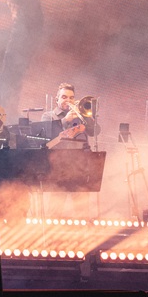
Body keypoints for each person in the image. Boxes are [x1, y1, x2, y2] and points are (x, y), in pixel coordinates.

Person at [41, 83, 98, 218]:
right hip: (58, 168)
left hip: (80, 168)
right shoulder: (48, 116)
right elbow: (47, 136)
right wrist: (65, 120)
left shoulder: (80, 116)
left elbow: (94, 132)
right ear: (57, 100)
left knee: (82, 213)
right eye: (64, 97)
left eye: (71, 98)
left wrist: (87, 118)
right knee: (55, 212)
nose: (68, 100)